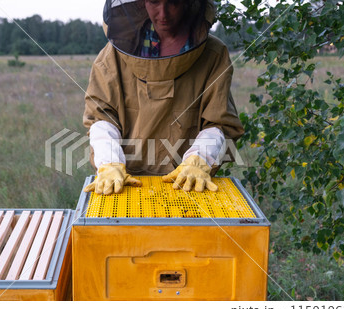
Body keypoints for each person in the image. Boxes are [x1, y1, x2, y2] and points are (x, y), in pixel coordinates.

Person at [83, 0, 244, 195]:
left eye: (173, 2)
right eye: (154, 1)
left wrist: (200, 159)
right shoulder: (112, 56)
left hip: (188, 185)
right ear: (142, 3)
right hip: (125, 185)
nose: (163, 13)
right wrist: (109, 162)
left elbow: (218, 124)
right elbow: (102, 119)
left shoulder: (214, 55)